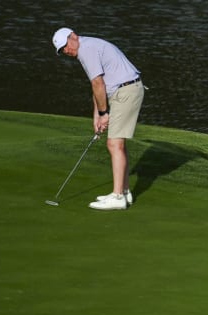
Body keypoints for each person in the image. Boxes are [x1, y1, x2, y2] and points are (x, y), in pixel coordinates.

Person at [52, 27, 144, 211]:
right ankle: (124, 192)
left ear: (73, 37)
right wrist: (97, 116)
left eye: (65, 46)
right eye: (62, 51)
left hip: (125, 91)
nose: (66, 52)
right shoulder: (87, 47)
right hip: (123, 90)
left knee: (113, 144)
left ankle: (118, 197)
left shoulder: (86, 49)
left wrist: (104, 113)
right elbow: (98, 86)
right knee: (118, 144)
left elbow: (98, 83)